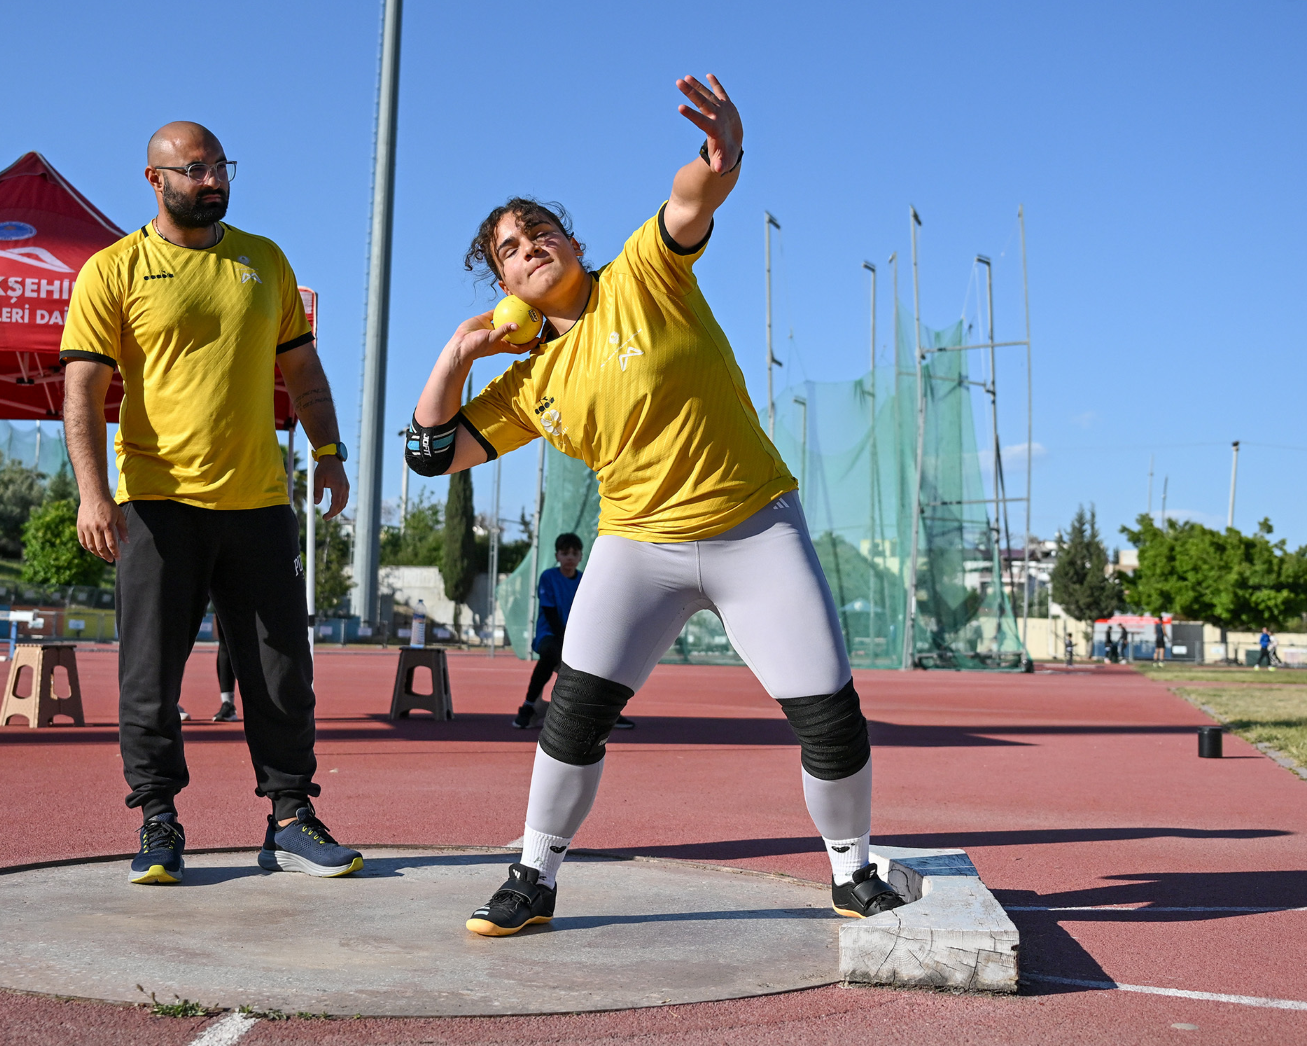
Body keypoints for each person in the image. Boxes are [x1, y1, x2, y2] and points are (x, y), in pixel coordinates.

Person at [406, 74, 905, 937]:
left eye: (540, 230)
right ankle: (534, 876)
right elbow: (430, 454)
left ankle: (851, 870)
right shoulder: (528, 385)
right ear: (504, 284)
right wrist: (459, 352)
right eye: (509, 250)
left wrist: (722, 157)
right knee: (575, 714)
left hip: (754, 527)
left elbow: (689, 200)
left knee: (829, 715)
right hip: (639, 547)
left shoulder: (640, 272)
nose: (529, 247)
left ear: (571, 239)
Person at [62, 121, 360, 886]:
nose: (211, 179)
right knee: (150, 675)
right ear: (154, 180)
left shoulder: (264, 261)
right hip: (157, 505)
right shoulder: (113, 270)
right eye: (193, 169)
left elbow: (308, 376)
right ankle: (158, 821)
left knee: (281, 670)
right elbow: (84, 391)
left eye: (220, 165)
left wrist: (329, 453)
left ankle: (290, 818)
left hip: (259, 502)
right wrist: (94, 493)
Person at [513, 534, 633, 731]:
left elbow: (590, 611)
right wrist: (568, 644)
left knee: (604, 659)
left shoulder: (585, 580)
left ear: (580, 557)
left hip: (577, 636)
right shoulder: (548, 577)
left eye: (574, 553)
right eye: (565, 553)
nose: (569, 557)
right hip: (550, 635)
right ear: (557, 556)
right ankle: (528, 706)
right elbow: (550, 614)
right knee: (551, 652)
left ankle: (607, 711)